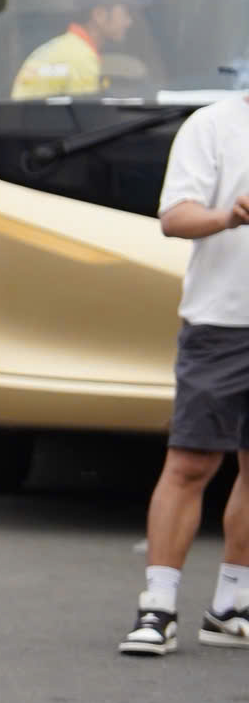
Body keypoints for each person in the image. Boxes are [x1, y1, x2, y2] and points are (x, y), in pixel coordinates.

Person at [118, 92, 249, 655]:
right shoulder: (215, 124)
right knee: (191, 462)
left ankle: (230, 606)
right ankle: (158, 607)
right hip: (222, 322)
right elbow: (175, 217)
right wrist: (229, 215)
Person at [12, 0, 144, 100]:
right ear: (99, 15)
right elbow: (87, 119)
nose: (129, 22)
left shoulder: (67, 48)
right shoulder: (81, 59)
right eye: (125, 13)